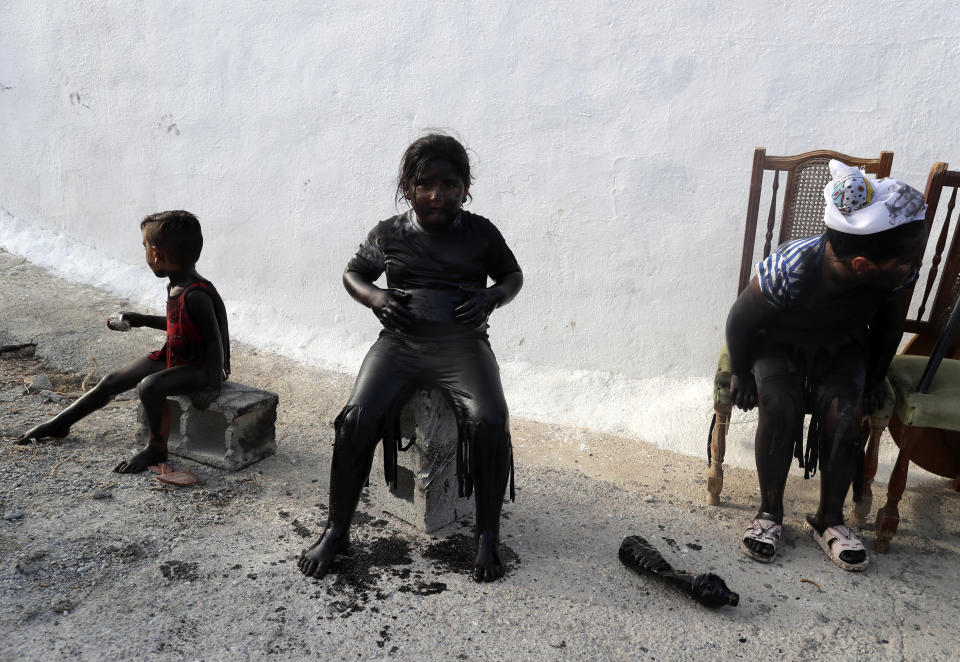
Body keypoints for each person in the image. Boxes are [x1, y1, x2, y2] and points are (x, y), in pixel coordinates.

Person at [297, 133, 523, 583]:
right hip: (399, 345)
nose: (437, 195)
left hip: (464, 346)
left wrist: (493, 298)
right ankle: (337, 530)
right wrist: (375, 296)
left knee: (491, 418)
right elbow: (353, 273)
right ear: (408, 187)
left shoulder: (481, 232)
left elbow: (513, 275)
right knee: (355, 419)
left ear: (465, 187)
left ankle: (486, 536)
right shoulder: (389, 233)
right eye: (425, 185)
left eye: (449, 185)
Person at [727, 160, 928, 571]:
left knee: (846, 414)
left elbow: (889, 328)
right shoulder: (792, 267)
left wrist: (874, 377)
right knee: (779, 406)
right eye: (906, 258)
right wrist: (740, 371)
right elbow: (741, 320)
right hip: (779, 345)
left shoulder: (895, 278)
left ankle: (829, 519)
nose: (913, 265)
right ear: (861, 266)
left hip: (842, 346)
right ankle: (769, 512)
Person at [17, 210, 230, 474]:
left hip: (199, 367)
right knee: (111, 381)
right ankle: (60, 423)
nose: (145, 254)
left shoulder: (196, 293)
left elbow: (214, 341)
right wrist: (140, 319)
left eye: (144, 247)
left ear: (155, 253)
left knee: (150, 386)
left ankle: (156, 448)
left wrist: (212, 385)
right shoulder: (178, 286)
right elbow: (181, 324)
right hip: (175, 356)